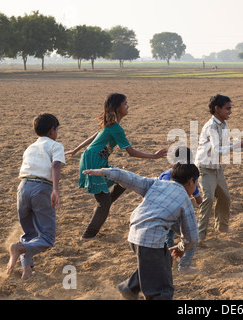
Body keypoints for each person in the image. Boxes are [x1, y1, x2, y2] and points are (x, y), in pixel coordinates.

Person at [82, 162, 199, 300]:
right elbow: (192, 237)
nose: (196, 186)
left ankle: (130, 288)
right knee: (162, 291)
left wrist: (104, 171)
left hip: (134, 234)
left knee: (163, 260)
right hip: (150, 241)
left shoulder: (157, 183)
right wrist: (181, 247)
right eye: (197, 183)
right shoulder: (185, 199)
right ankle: (131, 289)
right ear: (191, 181)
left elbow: (130, 178)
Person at [66, 93, 167, 241]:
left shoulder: (111, 124)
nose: (128, 106)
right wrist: (154, 156)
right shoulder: (116, 127)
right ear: (117, 107)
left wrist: (76, 149)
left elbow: (95, 136)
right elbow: (130, 152)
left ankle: (105, 209)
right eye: (125, 104)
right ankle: (88, 235)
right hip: (93, 161)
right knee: (103, 201)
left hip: (96, 159)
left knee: (123, 181)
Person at [7, 113, 65, 279]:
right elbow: (55, 165)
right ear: (52, 130)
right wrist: (55, 189)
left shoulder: (30, 147)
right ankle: (20, 249)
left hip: (23, 188)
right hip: (41, 189)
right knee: (47, 238)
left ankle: (27, 271)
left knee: (29, 233)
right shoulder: (56, 145)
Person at [194, 94, 243, 244]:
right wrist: (239, 144)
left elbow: (225, 142)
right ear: (217, 109)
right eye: (227, 109)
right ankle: (200, 235)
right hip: (205, 167)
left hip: (216, 167)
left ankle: (222, 227)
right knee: (208, 199)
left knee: (225, 197)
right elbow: (218, 150)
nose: (230, 111)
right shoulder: (211, 127)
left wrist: (241, 142)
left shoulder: (223, 125)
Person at [159, 146, 202, 273]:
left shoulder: (165, 174)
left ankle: (166, 262)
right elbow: (198, 199)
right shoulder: (189, 177)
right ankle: (184, 266)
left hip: (162, 214)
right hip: (176, 215)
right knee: (191, 240)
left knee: (168, 237)